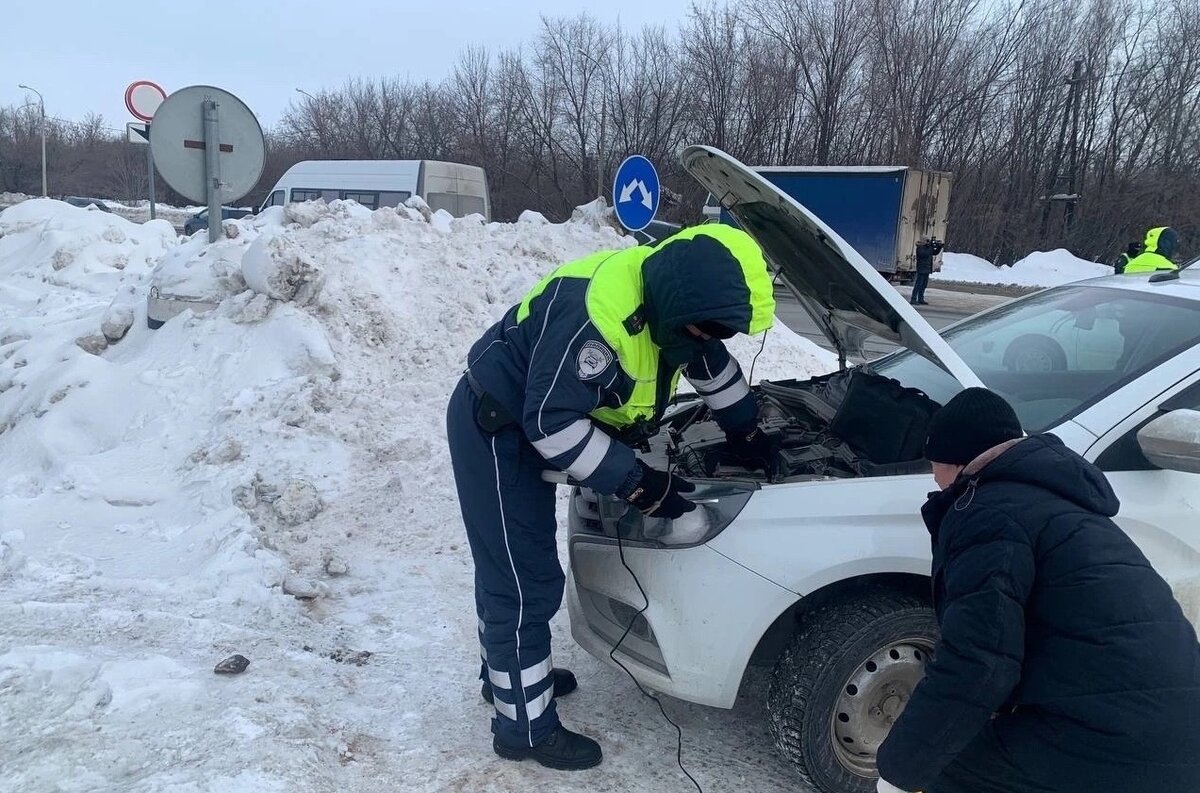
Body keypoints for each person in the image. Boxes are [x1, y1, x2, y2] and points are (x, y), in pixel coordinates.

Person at [446, 224, 777, 770]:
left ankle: (506, 677)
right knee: (522, 578)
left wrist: (747, 432)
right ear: (681, 311)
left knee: (511, 568)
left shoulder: (676, 306)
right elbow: (551, 425)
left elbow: (710, 364)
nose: (712, 338)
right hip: (498, 427)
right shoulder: (598, 317)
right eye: (708, 328)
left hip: (533, 416)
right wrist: (644, 486)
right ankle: (523, 728)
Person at [875, 388, 1200, 793]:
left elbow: (978, 661)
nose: (934, 478)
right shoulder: (1056, 500)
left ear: (957, 460)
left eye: (934, 464)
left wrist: (899, 771)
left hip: (1118, 742)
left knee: (945, 768)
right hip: (1175, 724)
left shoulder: (987, 516)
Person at [911, 237, 944, 305]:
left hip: (927, 268)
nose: (928, 242)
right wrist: (930, 246)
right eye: (927, 241)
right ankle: (913, 299)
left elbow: (934, 253)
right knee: (918, 284)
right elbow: (924, 254)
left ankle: (921, 299)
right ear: (923, 241)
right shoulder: (920, 247)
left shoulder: (927, 248)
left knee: (923, 285)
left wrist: (939, 247)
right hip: (921, 268)